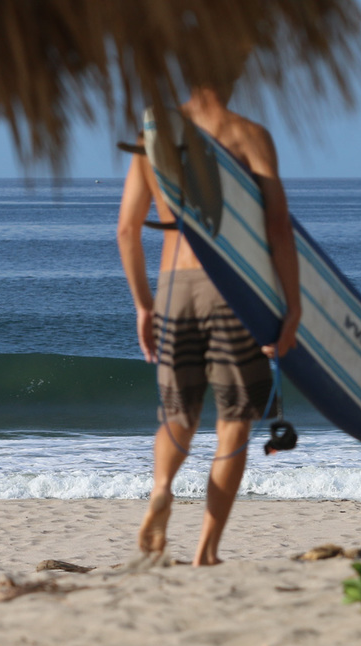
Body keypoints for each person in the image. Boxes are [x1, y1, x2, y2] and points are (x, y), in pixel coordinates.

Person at [116, 83, 301, 566]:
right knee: (234, 423)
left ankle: (161, 489)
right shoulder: (248, 135)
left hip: (176, 287)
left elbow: (126, 230)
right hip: (233, 285)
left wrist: (143, 305)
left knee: (178, 415)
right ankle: (206, 549)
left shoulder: (153, 134)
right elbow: (278, 226)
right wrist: (292, 304)